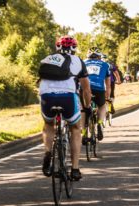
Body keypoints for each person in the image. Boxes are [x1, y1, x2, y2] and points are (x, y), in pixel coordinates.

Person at [39, 35, 91, 180]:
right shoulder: (78, 61)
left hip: (46, 97)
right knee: (75, 129)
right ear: (74, 48)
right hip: (68, 97)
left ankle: (48, 152)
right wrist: (86, 106)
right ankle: (75, 169)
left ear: (57, 47)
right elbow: (86, 89)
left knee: (48, 124)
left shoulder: (47, 59)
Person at [83, 47, 111, 141]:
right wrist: (108, 94)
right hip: (99, 88)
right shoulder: (105, 64)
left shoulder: (83, 63)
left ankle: (83, 134)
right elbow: (108, 82)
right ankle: (99, 123)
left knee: (83, 109)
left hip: (85, 89)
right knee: (102, 106)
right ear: (99, 56)